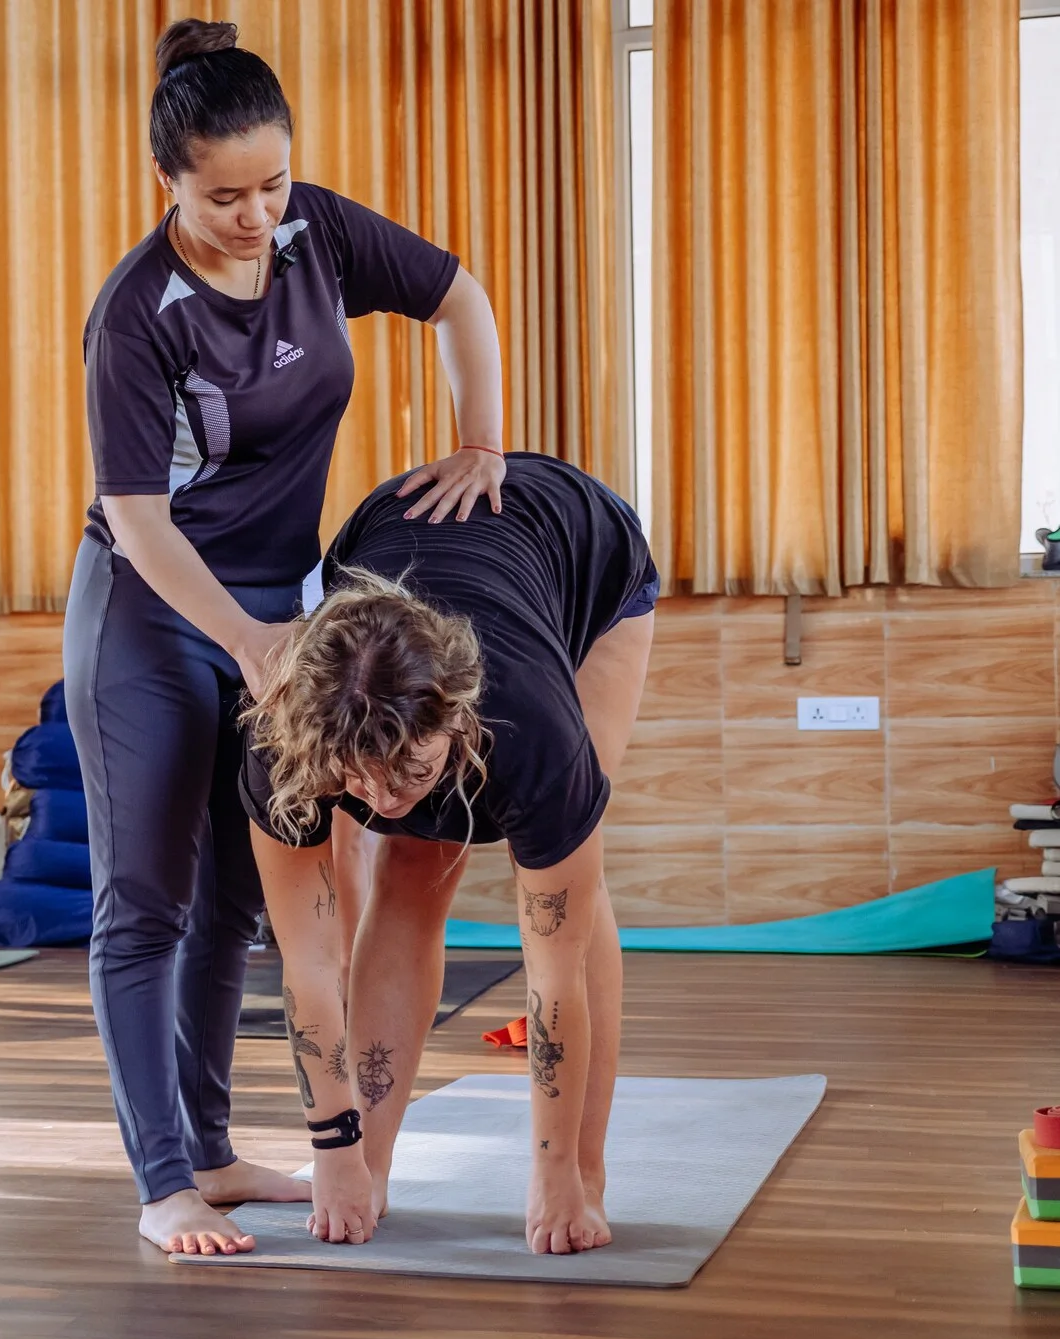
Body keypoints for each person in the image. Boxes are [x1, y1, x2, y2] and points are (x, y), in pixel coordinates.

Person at [63, 16, 509, 1257]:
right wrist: (251, 642)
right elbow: (137, 520)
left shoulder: (315, 232)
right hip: (156, 618)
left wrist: (484, 441)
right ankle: (162, 1181)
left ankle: (211, 1152)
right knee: (145, 904)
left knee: (233, 903)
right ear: (168, 180)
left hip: (282, 610)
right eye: (225, 197)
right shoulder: (136, 314)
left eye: (273, 183)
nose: (258, 214)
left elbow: (459, 296)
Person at [239, 451, 658, 1256]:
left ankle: (584, 1170)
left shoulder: (532, 733)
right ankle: (376, 1159)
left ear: (459, 722)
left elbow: (552, 979)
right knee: (410, 861)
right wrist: (336, 1152)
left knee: (571, 890)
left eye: (411, 773)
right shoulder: (283, 738)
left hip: (587, 553)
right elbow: (309, 964)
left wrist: (556, 1171)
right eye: (357, 780)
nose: (384, 800)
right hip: (401, 558)